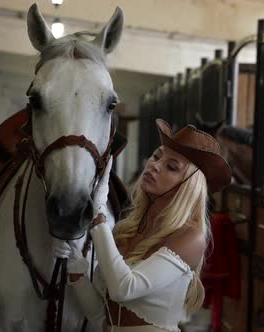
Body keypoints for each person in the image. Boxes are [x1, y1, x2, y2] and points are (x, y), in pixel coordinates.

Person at [53, 119, 231, 332]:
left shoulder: (191, 236)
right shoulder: (128, 229)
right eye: (156, 156)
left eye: (171, 167)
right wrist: (75, 264)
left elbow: (124, 289)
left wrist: (99, 217)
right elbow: (99, 313)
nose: (154, 165)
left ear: (188, 187)